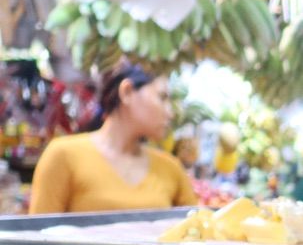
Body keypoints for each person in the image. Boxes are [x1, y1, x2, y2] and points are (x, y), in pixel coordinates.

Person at [30, 65, 193, 214]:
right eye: (162, 98)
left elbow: (199, 232)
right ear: (127, 92)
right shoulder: (63, 155)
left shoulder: (171, 168)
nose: (170, 113)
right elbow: (36, 238)